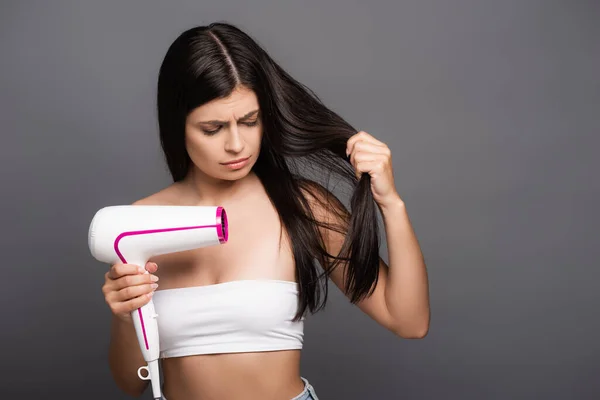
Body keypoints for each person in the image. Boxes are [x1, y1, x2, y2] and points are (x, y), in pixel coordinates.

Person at [100, 22, 430, 400]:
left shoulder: (302, 206)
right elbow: (131, 383)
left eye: (250, 121)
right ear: (179, 126)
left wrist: (392, 203)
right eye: (212, 128)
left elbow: (409, 321)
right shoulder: (140, 223)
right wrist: (126, 316)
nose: (236, 144)